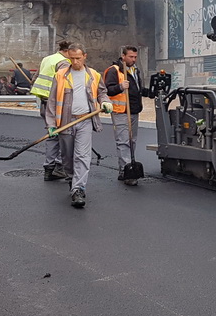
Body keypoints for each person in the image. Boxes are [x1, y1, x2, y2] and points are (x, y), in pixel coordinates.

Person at [44, 43, 112, 208]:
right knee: (67, 158)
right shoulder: (61, 75)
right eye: (72, 58)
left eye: (78, 58)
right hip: (65, 122)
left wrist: (105, 102)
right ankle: (71, 179)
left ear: (85, 56)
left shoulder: (94, 75)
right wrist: (51, 124)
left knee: (82, 156)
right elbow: (52, 101)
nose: (75, 62)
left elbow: (101, 92)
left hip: (85, 121)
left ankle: (78, 189)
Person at [103, 45, 149, 186]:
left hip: (134, 110)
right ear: (123, 56)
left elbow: (137, 89)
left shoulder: (135, 70)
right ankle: (126, 171)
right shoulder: (114, 71)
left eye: (135, 57)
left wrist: (149, 92)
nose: (133, 59)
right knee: (123, 142)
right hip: (121, 111)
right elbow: (108, 90)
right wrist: (120, 87)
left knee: (132, 141)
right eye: (130, 57)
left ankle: (127, 168)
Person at [31, 40, 73, 181]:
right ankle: (58, 167)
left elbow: (34, 79)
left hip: (44, 102)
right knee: (62, 136)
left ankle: (49, 168)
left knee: (52, 134)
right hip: (56, 104)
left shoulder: (48, 58)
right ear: (68, 51)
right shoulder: (64, 63)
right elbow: (66, 86)